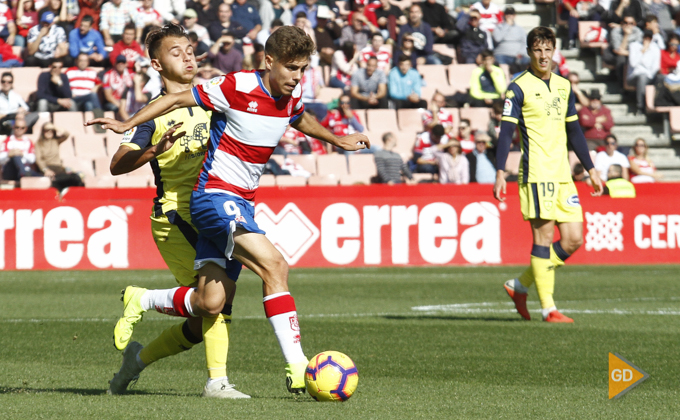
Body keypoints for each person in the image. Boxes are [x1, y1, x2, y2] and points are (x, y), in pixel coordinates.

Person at [87, 25, 370, 395]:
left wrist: (336, 139)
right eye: (291, 68)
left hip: (238, 203)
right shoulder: (233, 86)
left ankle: (144, 303)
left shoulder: (290, 93)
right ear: (269, 62)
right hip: (212, 200)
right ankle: (290, 368)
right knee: (276, 265)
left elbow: (297, 115)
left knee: (211, 302)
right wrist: (128, 124)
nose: (298, 77)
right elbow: (173, 102)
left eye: (302, 69)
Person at [102, 23, 249, 399]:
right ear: (156, 64)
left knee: (205, 316)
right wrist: (153, 149)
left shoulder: (214, 98)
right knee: (215, 303)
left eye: (189, 49)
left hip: (217, 210)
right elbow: (117, 164)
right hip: (177, 215)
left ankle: (137, 361)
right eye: (175, 52)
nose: (187, 57)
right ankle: (217, 383)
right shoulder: (150, 114)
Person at [494, 27, 603, 324]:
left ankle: (520, 285)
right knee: (542, 239)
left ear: (554, 51)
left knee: (573, 240)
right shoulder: (518, 88)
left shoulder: (564, 86)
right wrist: (500, 171)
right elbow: (505, 133)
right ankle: (548, 308)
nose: (543, 55)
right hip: (536, 174)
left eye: (547, 49)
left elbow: (574, 130)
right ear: (529, 52)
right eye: (537, 50)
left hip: (563, 175)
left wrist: (591, 169)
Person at [34, 122, 83, 190]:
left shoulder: (55, 141)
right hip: (48, 168)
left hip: (58, 168)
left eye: (51, 130)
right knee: (62, 180)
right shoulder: (39, 143)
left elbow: (66, 134)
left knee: (74, 179)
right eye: (46, 130)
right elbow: (38, 159)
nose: (49, 132)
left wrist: (53, 127)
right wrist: (46, 170)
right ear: (43, 131)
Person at [627, 29, 660, 115]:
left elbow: (655, 67)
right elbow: (633, 63)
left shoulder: (655, 48)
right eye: (645, 37)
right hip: (634, 76)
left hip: (650, 76)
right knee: (642, 77)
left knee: (661, 78)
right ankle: (640, 107)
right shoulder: (634, 46)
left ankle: (657, 107)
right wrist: (642, 50)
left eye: (649, 38)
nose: (647, 39)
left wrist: (649, 76)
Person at [102, 55, 133, 120]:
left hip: (129, 100)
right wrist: (121, 106)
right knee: (117, 109)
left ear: (126, 64)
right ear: (115, 63)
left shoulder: (131, 74)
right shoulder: (108, 75)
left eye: (123, 62)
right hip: (114, 101)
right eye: (118, 62)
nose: (120, 64)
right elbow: (108, 96)